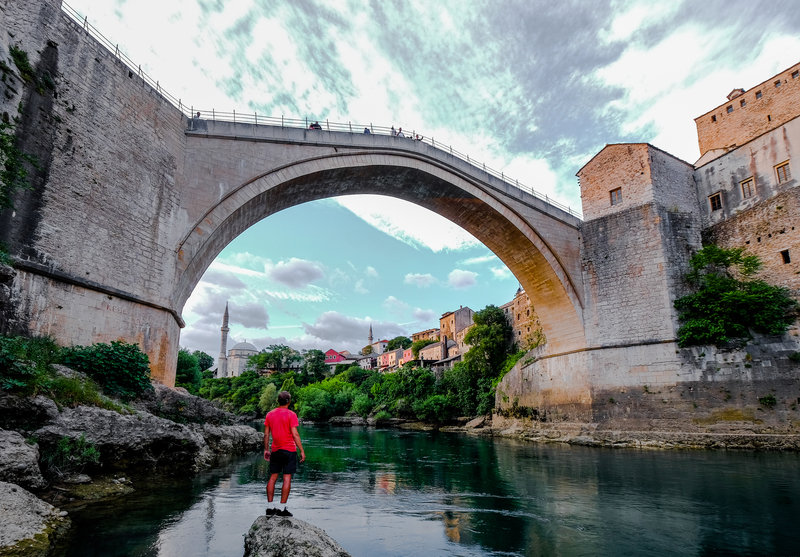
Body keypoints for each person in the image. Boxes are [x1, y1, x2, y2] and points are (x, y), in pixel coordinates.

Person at [263, 391, 306, 517]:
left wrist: (266, 450)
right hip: (289, 451)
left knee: (273, 477)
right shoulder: (291, 415)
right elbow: (295, 434)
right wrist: (302, 450)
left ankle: (270, 507)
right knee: (287, 478)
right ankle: (282, 509)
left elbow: (266, 434)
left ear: (278, 401)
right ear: (289, 401)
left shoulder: (270, 414)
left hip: (275, 450)